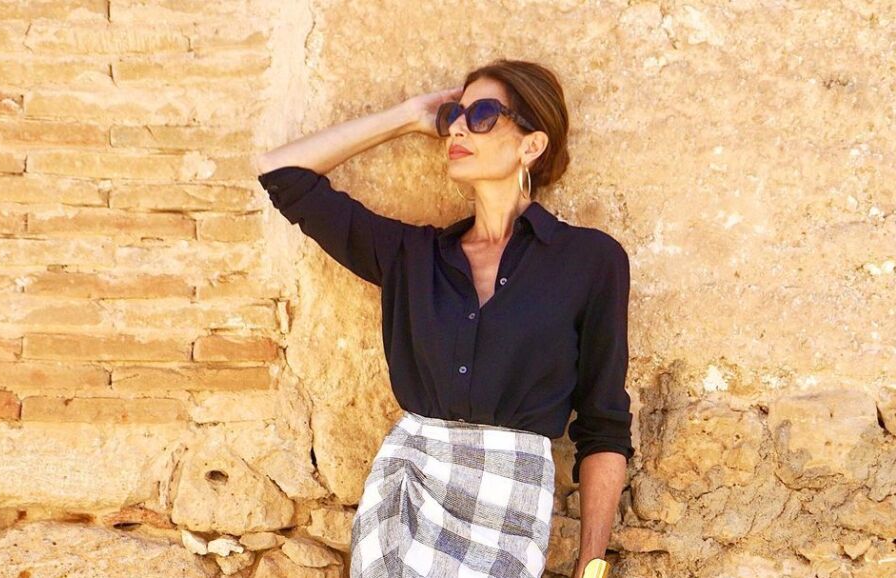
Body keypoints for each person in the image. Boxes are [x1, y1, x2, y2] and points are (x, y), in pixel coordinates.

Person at [254, 58, 634, 578]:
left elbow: (604, 424)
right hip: (406, 497)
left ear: (531, 145)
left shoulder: (590, 260)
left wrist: (592, 567)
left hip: (508, 503)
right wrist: (408, 117)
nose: (457, 127)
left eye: (482, 114)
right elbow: (281, 172)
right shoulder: (413, 256)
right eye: (454, 114)